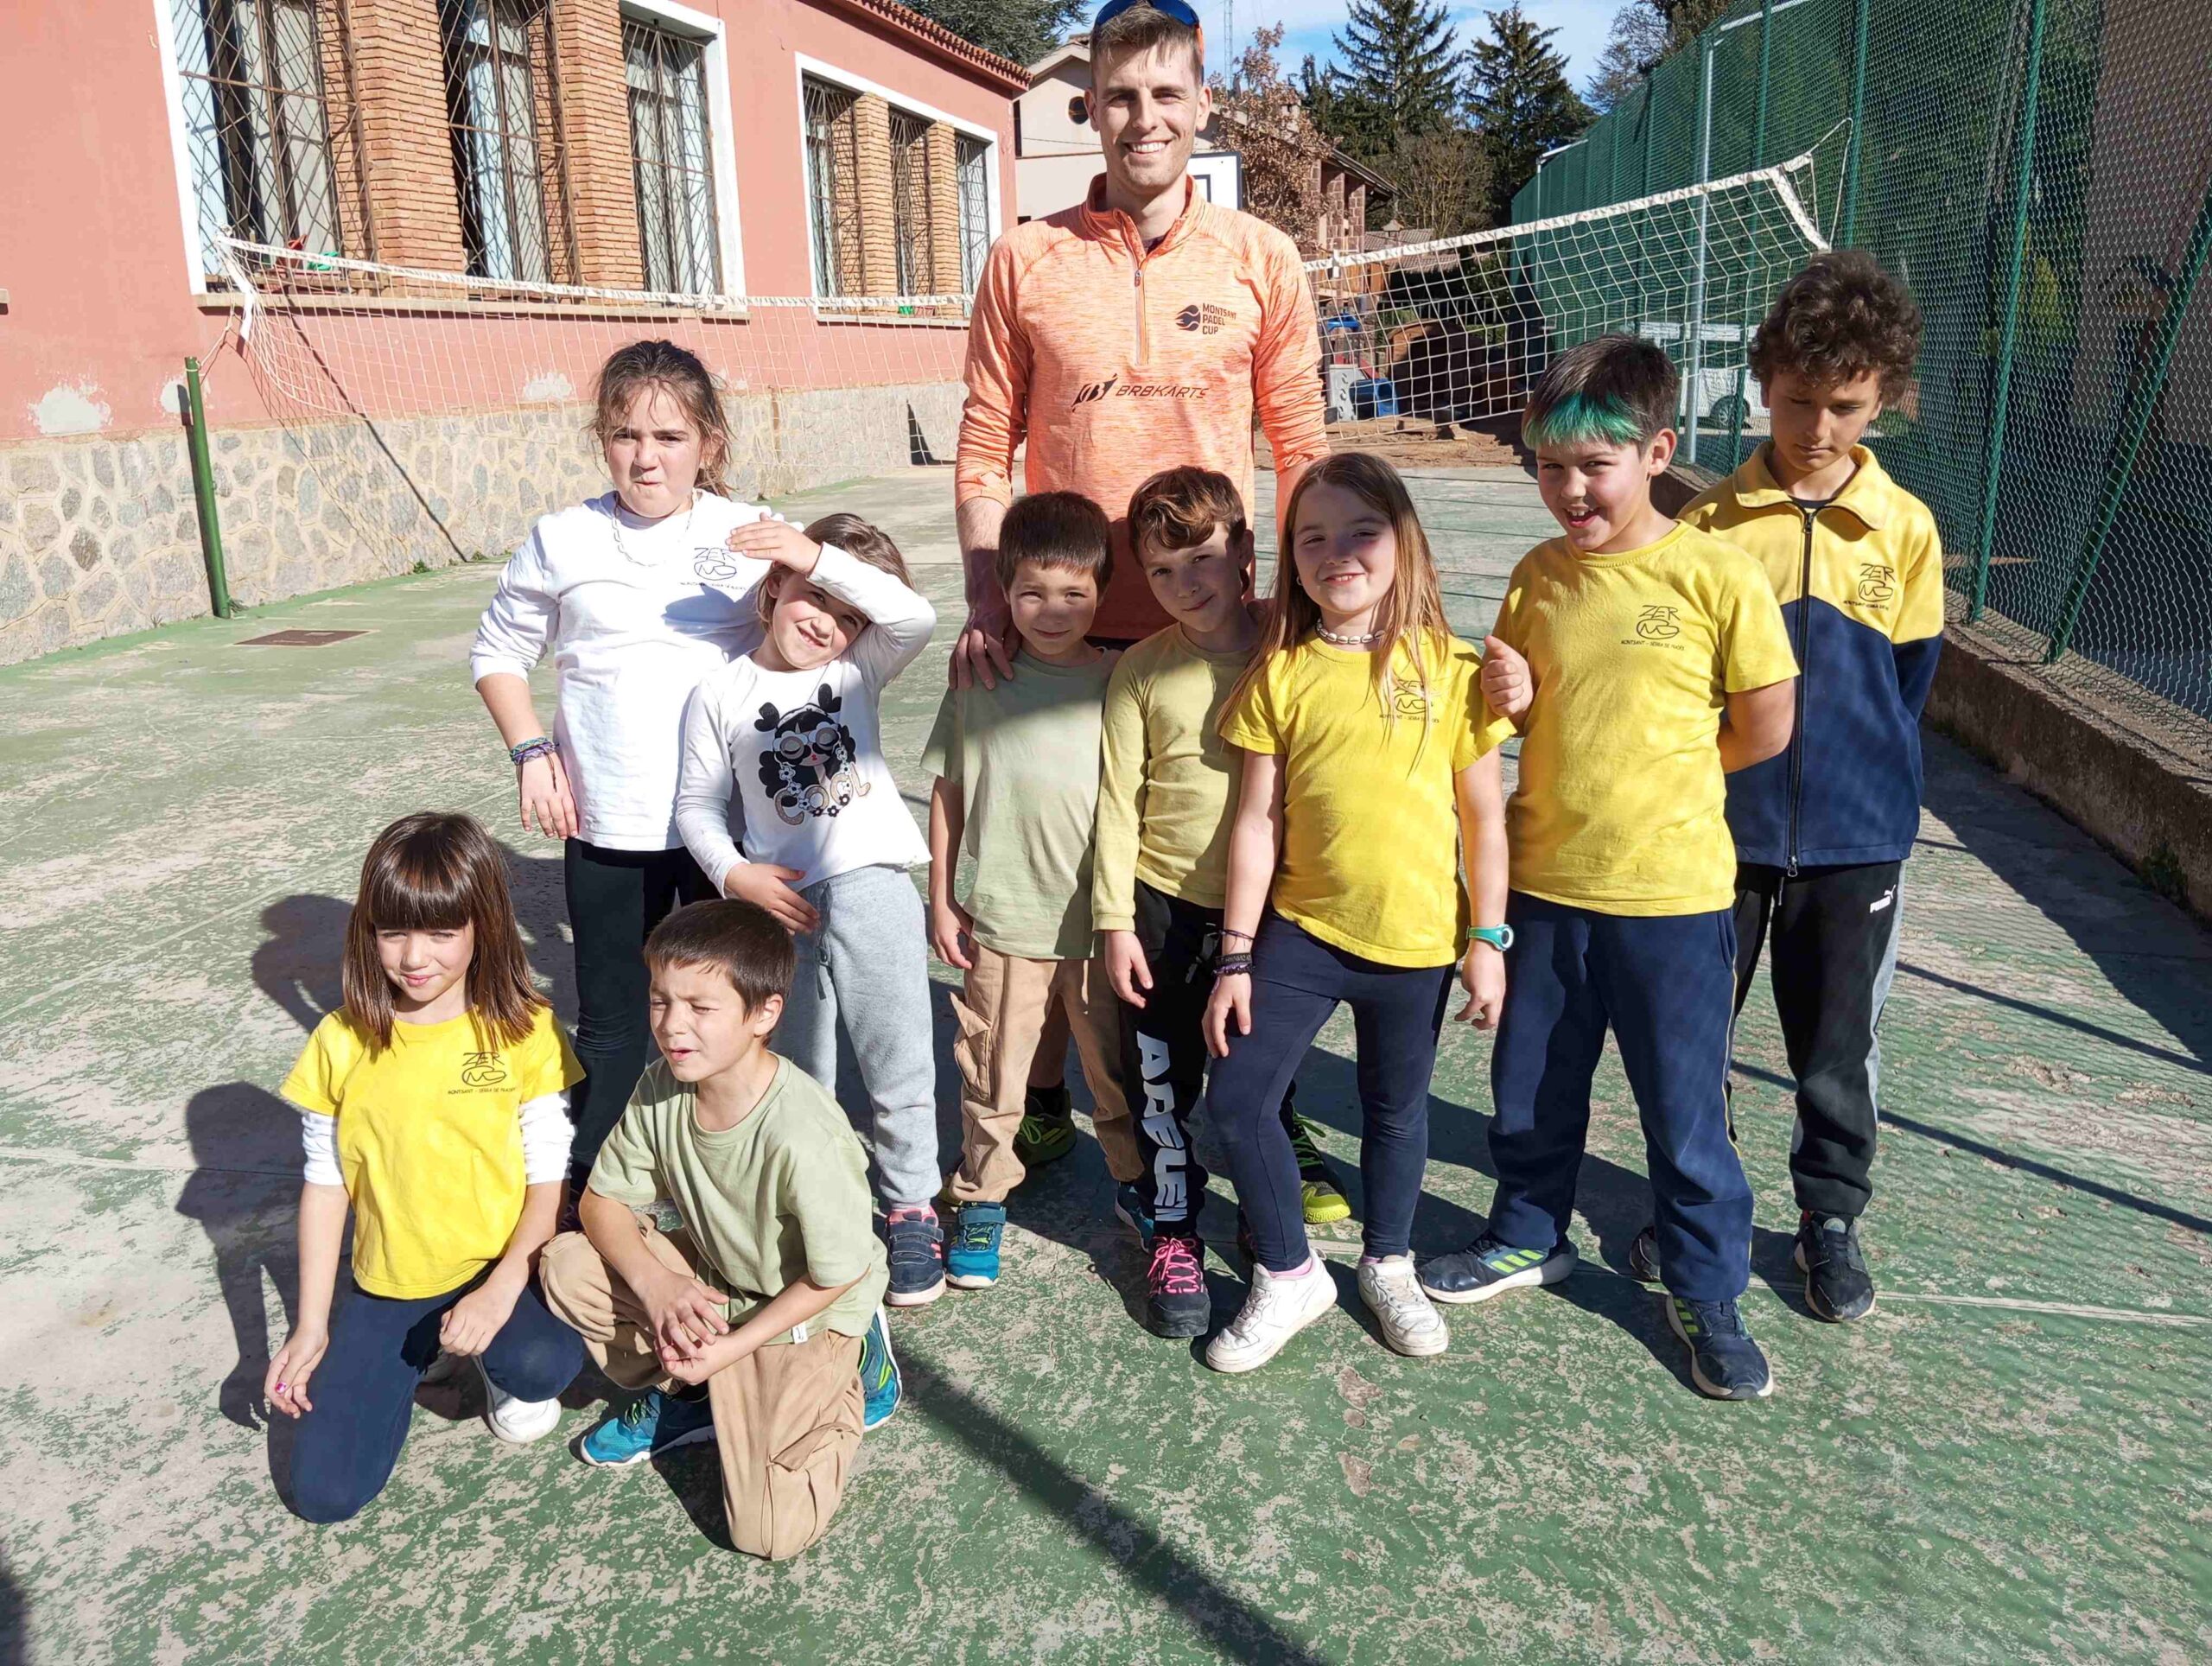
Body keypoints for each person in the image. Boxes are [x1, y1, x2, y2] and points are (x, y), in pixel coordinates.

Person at [952, 0, 1328, 1159]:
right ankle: (1059, 1089)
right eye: (1121, 97)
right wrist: (985, 593)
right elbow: (981, 443)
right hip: (1066, 637)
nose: (1143, 119)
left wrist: (1302, 609)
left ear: (1203, 104)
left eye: (1167, 95)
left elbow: (1304, 443)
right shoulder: (1027, 256)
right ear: (1090, 109)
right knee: (1067, 875)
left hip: (1217, 633)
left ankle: (1265, 1103)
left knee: (1233, 873)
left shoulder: (1261, 258)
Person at [1422, 335, 1800, 1402]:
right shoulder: (1537, 576)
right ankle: (1527, 1233)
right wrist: (1520, 703)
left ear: (1657, 451)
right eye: (1549, 465)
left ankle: (1704, 1286)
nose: (1570, 488)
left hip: (1671, 899)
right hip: (1544, 888)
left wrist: (1666, 775)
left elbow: (1763, 726)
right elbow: (1526, 707)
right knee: (1530, 1089)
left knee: (1683, 1113)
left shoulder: (1713, 572)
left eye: (1595, 464)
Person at [1628, 251, 1938, 1322]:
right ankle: (1694, 1203)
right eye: (1799, 400)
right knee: (1695, 1030)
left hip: (1858, 841)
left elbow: (1908, 685)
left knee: (1835, 1046)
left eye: (1845, 406)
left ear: (1882, 399)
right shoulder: (1711, 527)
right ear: (1764, 383)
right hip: (1721, 833)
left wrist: (1872, 794)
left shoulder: (1906, 529)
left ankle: (1830, 1215)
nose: (1817, 427)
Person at [1198, 454, 1510, 1375]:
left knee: (1394, 1109)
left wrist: (1486, 940)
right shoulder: (1280, 673)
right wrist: (1235, 956)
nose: (1338, 552)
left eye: (1360, 532)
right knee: (1239, 1094)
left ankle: (1388, 1260)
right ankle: (1290, 1272)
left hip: (1416, 944)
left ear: (1402, 541)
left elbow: (1484, 817)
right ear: (1289, 560)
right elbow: (1255, 821)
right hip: (1299, 934)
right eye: (1313, 537)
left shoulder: (1455, 669)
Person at [471, 340, 783, 1199]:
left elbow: (830, 637)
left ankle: (727, 1173)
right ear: (601, 438)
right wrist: (532, 750)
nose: (646, 456)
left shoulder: (748, 533)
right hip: (606, 821)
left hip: (722, 828)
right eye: (624, 434)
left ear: (709, 442)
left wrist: (809, 558)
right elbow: (499, 652)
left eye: (669, 436)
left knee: (721, 1012)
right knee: (613, 1021)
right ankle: (598, 1183)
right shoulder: (563, 538)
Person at [542, 900, 895, 1561]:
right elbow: (601, 1204)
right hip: (717, 1282)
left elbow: (833, 1273)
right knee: (568, 1265)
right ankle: (688, 1393)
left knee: (770, 1536)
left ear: (765, 1013)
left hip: (806, 1309)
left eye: (701, 1008)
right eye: (660, 1001)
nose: (673, 1027)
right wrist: (658, 1286)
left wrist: (735, 1348)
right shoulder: (661, 1086)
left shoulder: (803, 1134)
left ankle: (856, 1364)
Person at [266, 812, 586, 1522]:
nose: (415, 956)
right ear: (368, 932)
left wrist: (503, 1290)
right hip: (390, 1283)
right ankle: (427, 1355)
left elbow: (547, 1179)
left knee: (543, 1365)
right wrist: (311, 1325)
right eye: (393, 931)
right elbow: (326, 1187)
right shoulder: (339, 1039)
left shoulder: (525, 1028)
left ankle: (492, 1359)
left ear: (484, 929)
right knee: (325, 1495)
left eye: (442, 932)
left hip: (499, 1266)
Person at [1094, 466, 1349, 1339]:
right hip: (1162, 909)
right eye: (1161, 572)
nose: (1184, 585)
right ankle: (1172, 1227)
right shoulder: (1140, 669)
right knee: (1161, 1083)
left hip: (1274, 914)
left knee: (1253, 1076)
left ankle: (1264, 1203)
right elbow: (1116, 802)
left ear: (1245, 547)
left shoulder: (1296, 646)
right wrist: (1113, 921)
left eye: (1200, 558)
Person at [672, 513, 943, 1306]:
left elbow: (915, 615)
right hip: (777, 910)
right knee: (798, 1070)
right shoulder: (719, 692)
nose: (826, 620)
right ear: (772, 591)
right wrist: (735, 876)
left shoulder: (860, 668)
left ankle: (912, 1203)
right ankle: (819, 1206)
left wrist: (814, 556)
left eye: (847, 613)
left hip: (872, 886)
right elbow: (696, 804)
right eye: (812, 595)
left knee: (898, 1056)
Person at [925, 493, 1141, 1293]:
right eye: (1032, 593)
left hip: (1102, 922)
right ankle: (982, 1196)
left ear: (1102, 591)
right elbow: (948, 792)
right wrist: (943, 897)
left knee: (1116, 1072)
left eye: (1073, 593)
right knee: (991, 1066)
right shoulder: (982, 679)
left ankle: (1136, 1185)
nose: (1052, 611)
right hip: (1004, 918)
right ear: (1003, 591)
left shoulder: (1122, 683)